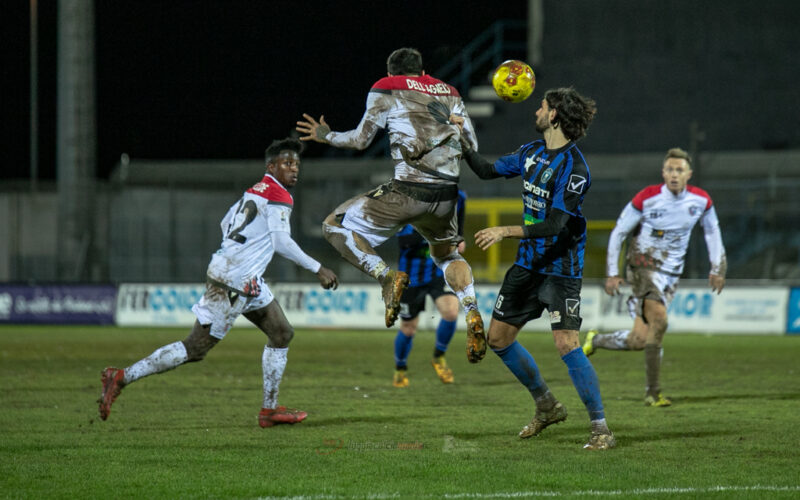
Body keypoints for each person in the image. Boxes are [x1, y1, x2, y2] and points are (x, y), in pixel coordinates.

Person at [97, 138, 338, 427]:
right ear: (271, 167)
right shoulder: (279, 195)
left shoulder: (254, 191)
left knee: (282, 333)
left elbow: (226, 223)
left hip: (242, 277)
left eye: (297, 163)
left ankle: (269, 411)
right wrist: (318, 267)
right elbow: (281, 241)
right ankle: (121, 377)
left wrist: (235, 255)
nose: (294, 169)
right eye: (287, 163)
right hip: (235, 281)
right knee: (195, 348)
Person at [295, 47, 486, 364]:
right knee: (447, 254)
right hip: (446, 195)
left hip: (408, 189)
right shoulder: (449, 91)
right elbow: (472, 146)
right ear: (423, 72)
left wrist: (326, 135)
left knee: (334, 224)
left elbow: (360, 140)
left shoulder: (386, 87)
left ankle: (386, 278)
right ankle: (472, 308)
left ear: (391, 72)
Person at [458, 87, 615, 450]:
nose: (537, 111)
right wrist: (463, 141)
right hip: (527, 265)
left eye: (543, 106)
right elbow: (485, 170)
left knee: (566, 343)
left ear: (556, 114)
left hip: (561, 269)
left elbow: (557, 223)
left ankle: (601, 428)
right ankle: (546, 405)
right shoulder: (530, 152)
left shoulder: (575, 169)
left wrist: (505, 230)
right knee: (497, 339)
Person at [582, 147, 727, 407]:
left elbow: (712, 232)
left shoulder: (701, 201)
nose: (674, 174)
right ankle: (653, 392)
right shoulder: (647, 198)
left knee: (640, 339)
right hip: (642, 267)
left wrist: (718, 268)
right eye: (670, 169)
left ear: (689, 174)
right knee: (659, 320)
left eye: (679, 170)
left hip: (670, 275)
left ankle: (597, 339)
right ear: (663, 172)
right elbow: (618, 232)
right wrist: (612, 273)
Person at [393, 190, 466, 387]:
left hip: (438, 270)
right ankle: (400, 368)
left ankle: (438, 357)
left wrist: (459, 239)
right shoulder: (409, 202)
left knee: (451, 312)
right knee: (408, 329)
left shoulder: (458, 197)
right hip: (411, 277)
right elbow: (403, 241)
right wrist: (434, 232)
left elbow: (459, 223)